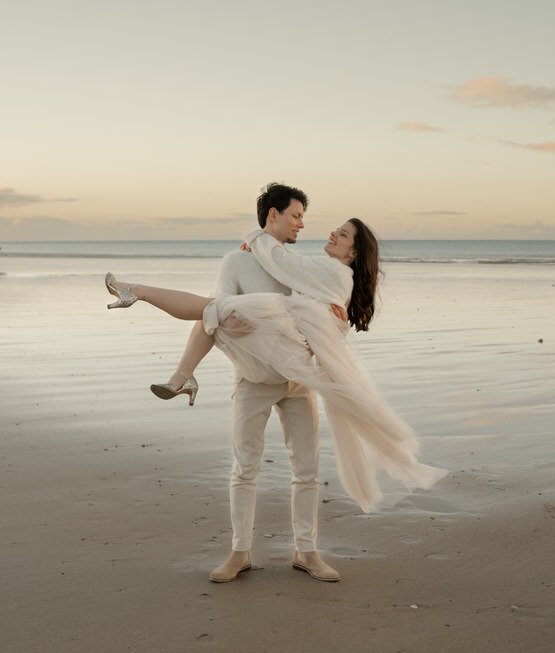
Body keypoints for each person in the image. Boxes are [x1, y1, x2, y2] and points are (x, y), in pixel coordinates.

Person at [106, 186, 443, 583]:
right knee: (244, 468)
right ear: (273, 215)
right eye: (296, 215)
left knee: (307, 470)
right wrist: (230, 320)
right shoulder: (239, 260)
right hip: (252, 377)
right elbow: (216, 316)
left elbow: (318, 317)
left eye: (304, 217)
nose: (304, 224)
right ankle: (239, 552)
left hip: (298, 379)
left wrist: (256, 247)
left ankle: (307, 551)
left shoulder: (294, 262)